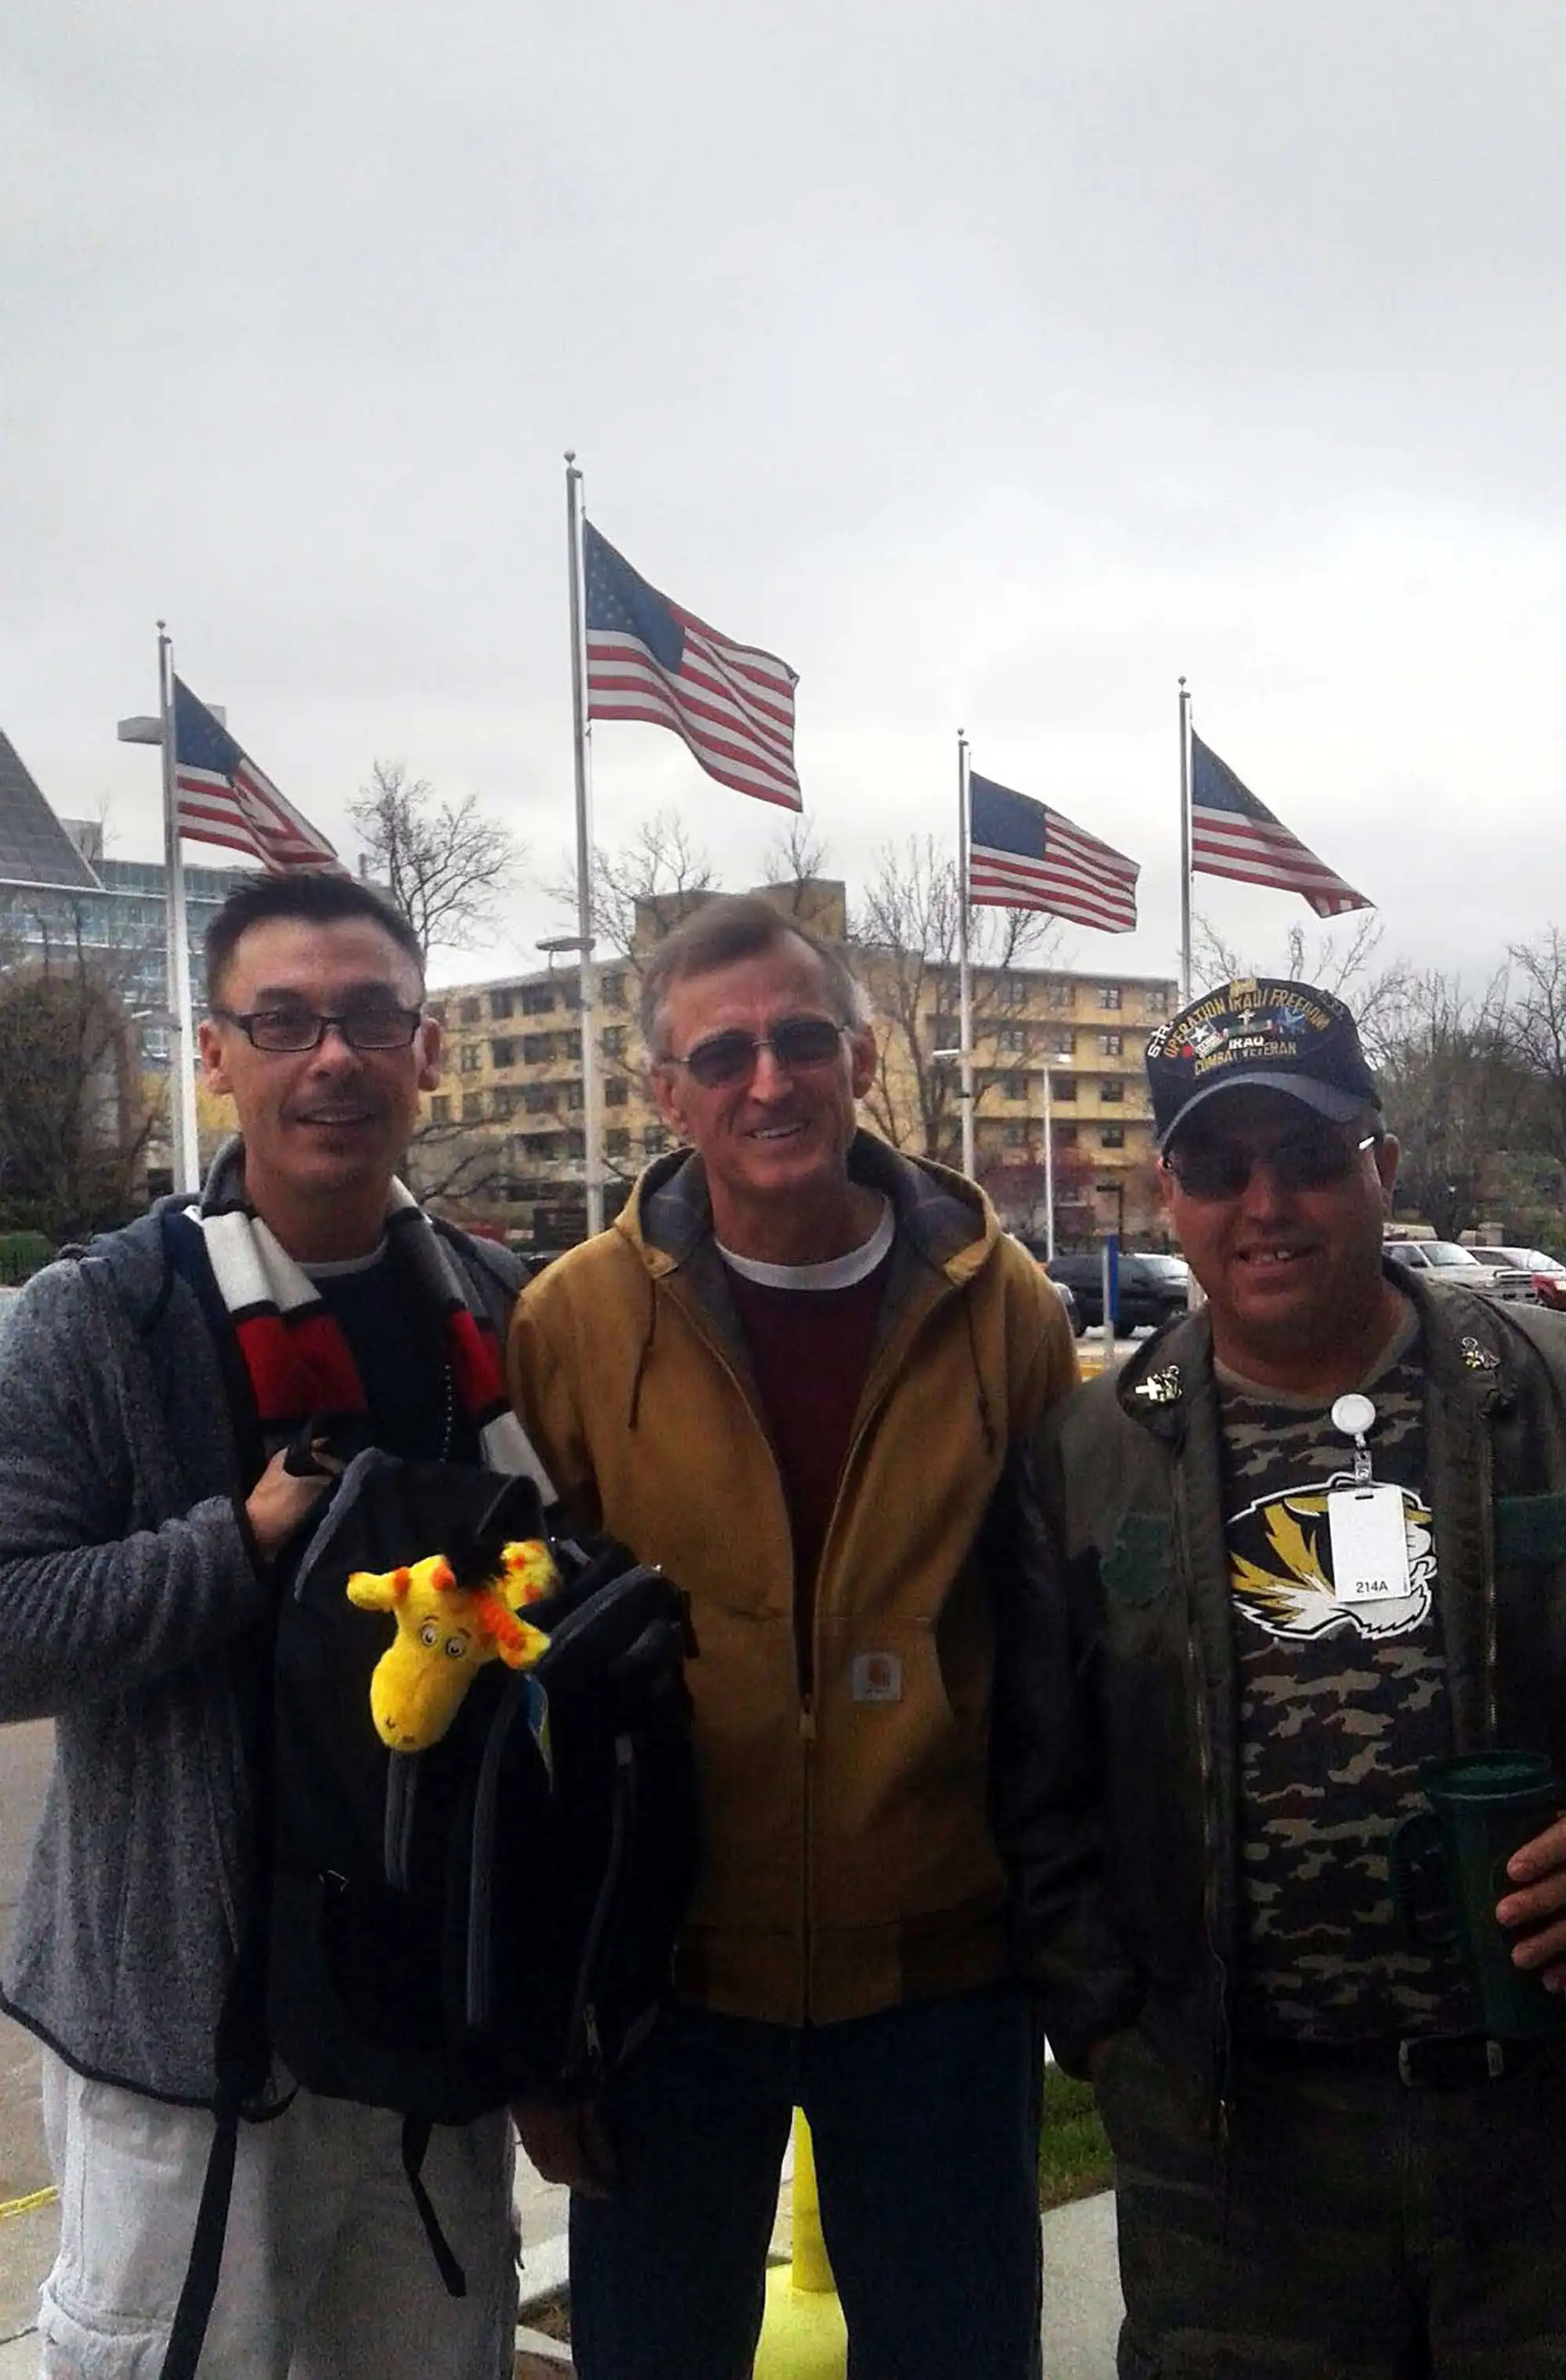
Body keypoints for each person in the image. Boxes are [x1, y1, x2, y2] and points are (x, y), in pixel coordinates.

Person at [506, 894, 1077, 2380]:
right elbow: (527, 1689)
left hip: (944, 1983)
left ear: (864, 1056)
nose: (770, 1080)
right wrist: (549, 2023)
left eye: (803, 1039)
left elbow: (1062, 1635)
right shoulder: (572, 1323)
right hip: (669, 1991)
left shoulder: (1000, 1303)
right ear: (665, 1091)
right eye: (726, 1051)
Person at [994, 975, 1566, 2380]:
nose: (1269, 1202)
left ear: (1380, 1162)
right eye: (1219, 1162)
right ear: (1165, 1189)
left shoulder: (1544, 1391)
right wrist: (1118, 2039)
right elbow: (1033, 1786)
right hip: (1235, 2164)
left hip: (1540, 2128)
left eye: (1310, 1158)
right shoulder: (1086, 1460)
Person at [0, 872, 532, 2380]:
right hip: (198, 2041)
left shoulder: (492, 1305)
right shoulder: (102, 1318)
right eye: (284, 1019)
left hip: (430, 2013)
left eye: (372, 1017)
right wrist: (232, 1546)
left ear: (425, 1053)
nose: (333, 1057)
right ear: (216, 1053)